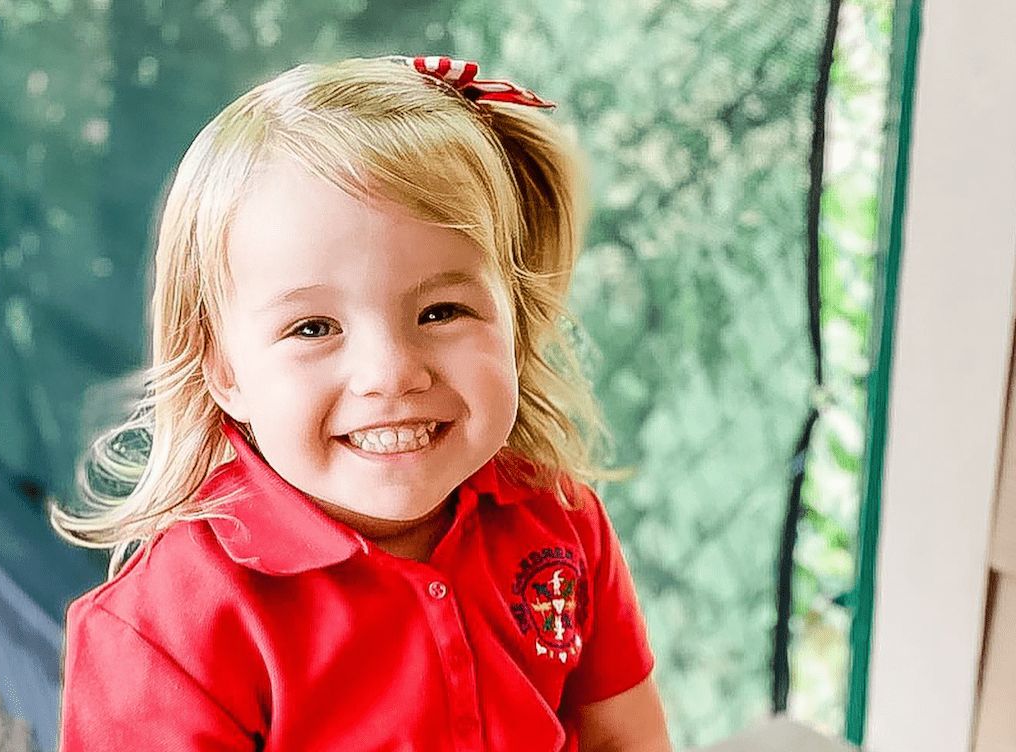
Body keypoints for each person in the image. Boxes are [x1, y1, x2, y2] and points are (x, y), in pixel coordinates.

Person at [52, 55, 673, 751]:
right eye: (312, 328)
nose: (390, 373)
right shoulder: (164, 634)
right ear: (223, 370)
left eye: (441, 311)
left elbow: (625, 737)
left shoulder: (561, 519)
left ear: (516, 319)